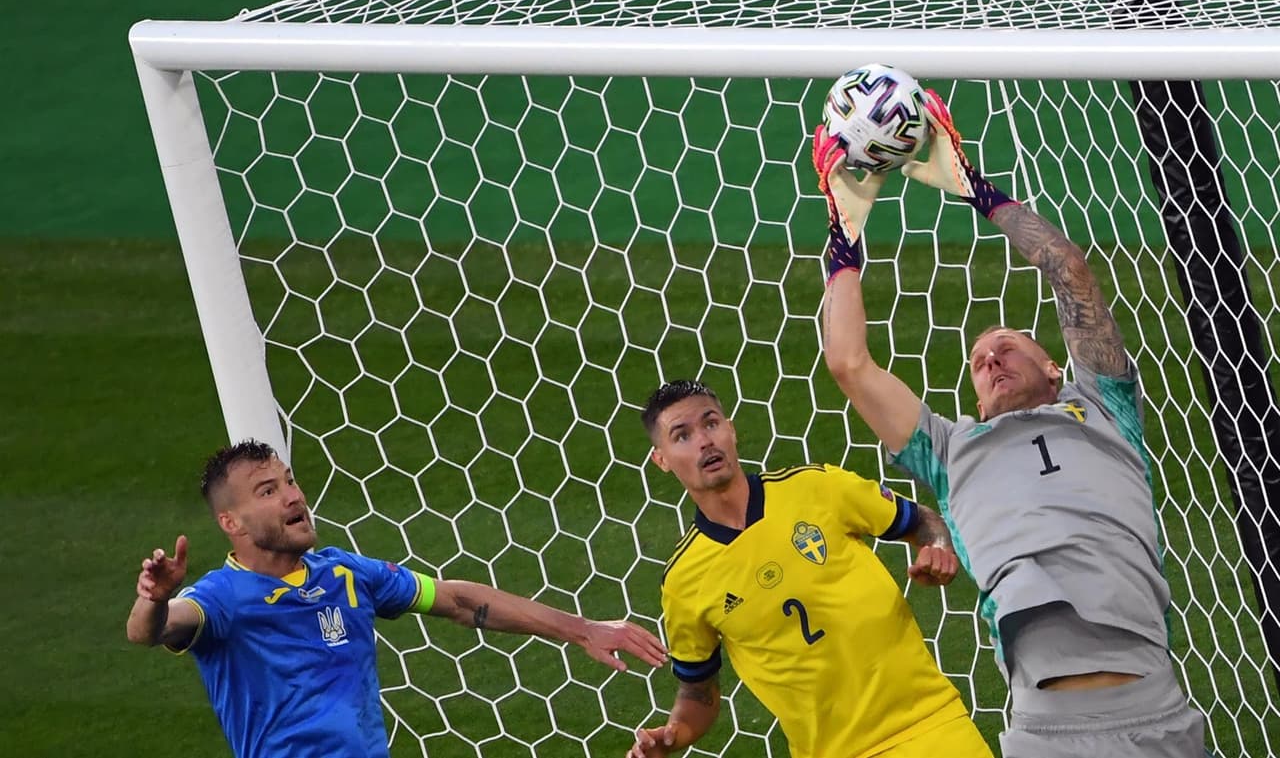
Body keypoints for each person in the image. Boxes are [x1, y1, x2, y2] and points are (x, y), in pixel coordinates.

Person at [814, 90, 1207, 757]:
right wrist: (843, 233)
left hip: (1156, 715)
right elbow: (848, 362)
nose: (991, 358)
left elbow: (1068, 268)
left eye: (1006, 345)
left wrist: (973, 188)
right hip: (1043, 732)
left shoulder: (1105, 406)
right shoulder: (948, 450)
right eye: (978, 362)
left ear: (1055, 367)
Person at [127, 439, 668, 758]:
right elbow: (150, 630)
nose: (293, 496)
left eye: (289, 481)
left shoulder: (344, 573)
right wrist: (153, 598)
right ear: (231, 522)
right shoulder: (221, 597)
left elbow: (457, 600)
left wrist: (582, 629)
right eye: (268, 491)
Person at [626, 380, 992, 758]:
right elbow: (698, 692)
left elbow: (921, 520)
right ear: (662, 459)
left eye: (711, 423)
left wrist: (937, 547)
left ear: (730, 429)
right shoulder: (684, 579)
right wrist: (672, 736)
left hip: (930, 725)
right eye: (682, 436)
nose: (704, 441)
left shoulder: (817, 487)